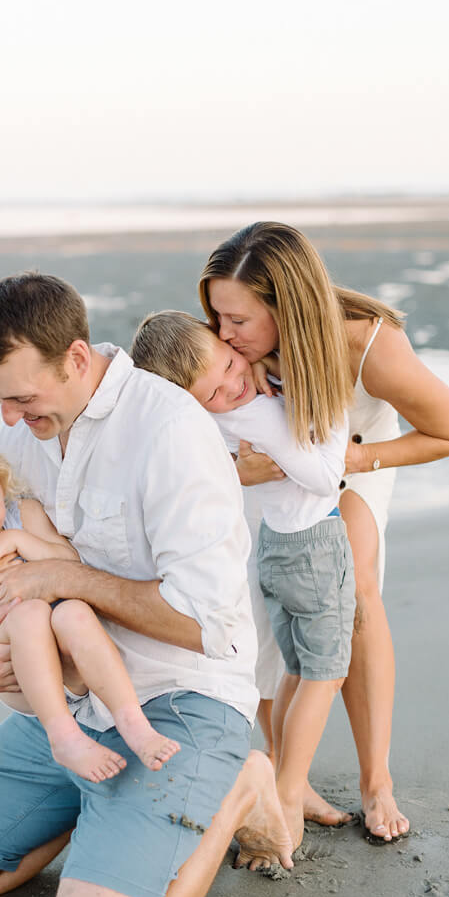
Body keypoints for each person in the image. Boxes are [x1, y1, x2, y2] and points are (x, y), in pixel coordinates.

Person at [0, 272, 293, 897]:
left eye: (22, 397)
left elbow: (207, 624)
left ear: (77, 359)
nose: (9, 420)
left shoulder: (170, 430)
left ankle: (238, 787)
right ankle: (109, 809)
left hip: (183, 697)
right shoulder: (19, 435)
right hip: (71, 702)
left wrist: (61, 575)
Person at [200, 221, 449, 842]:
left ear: (285, 306)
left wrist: (352, 460)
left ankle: (376, 780)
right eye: (217, 315)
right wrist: (235, 470)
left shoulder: (369, 344)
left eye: (238, 319)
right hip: (264, 469)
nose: (223, 334)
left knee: (352, 588)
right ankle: (283, 775)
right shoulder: (228, 350)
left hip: (358, 454)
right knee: (262, 607)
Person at [131, 310, 353, 868]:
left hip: (275, 548)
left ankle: (285, 778)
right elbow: (327, 476)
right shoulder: (261, 414)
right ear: (191, 400)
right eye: (216, 390)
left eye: (231, 363)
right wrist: (333, 412)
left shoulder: (211, 426)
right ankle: (288, 793)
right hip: (313, 545)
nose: (235, 384)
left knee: (295, 672)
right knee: (325, 674)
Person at [0, 421, 180, 781]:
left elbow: (69, 563)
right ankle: (63, 735)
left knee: (75, 612)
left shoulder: (23, 516)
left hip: (68, 653)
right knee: (30, 612)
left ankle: (134, 724)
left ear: (2, 488)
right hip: (19, 676)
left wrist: (18, 541)